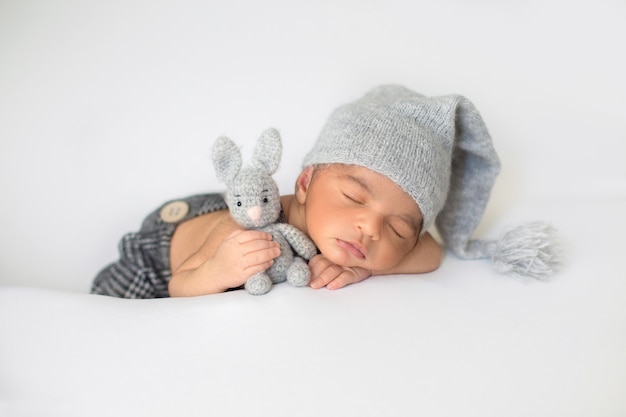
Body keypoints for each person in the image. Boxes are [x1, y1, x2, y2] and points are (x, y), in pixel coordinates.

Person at [91, 85, 560, 298]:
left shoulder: (373, 240)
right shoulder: (250, 230)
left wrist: (364, 268)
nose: (371, 228)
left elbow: (430, 252)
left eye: (399, 227)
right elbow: (180, 285)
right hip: (165, 253)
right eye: (355, 197)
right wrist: (219, 269)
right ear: (305, 182)